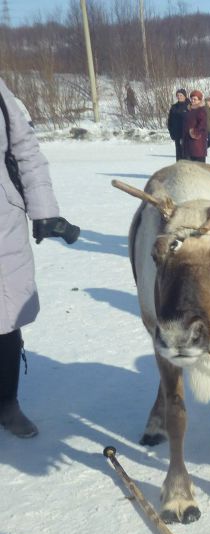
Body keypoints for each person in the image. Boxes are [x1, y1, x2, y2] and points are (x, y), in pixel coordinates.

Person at [0, 77, 81, 438]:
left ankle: (7, 402)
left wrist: (44, 211)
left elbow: (25, 149)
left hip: (2, 219)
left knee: (5, 316)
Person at [182, 90, 208, 162]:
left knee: (199, 166)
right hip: (188, 141)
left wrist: (194, 133)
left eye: (195, 99)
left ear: (199, 100)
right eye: (192, 99)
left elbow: (202, 124)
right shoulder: (189, 110)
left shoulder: (201, 110)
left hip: (197, 142)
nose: (193, 101)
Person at [167, 88, 189, 161]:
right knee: (179, 155)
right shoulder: (174, 107)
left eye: (181, 95)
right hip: (177, 135)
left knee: (187, 155)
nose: (179, 97)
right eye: (178, 95)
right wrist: (172, 133)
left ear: (185, 96)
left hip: (187, 135)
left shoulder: (190, 106)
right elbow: (170, 121)